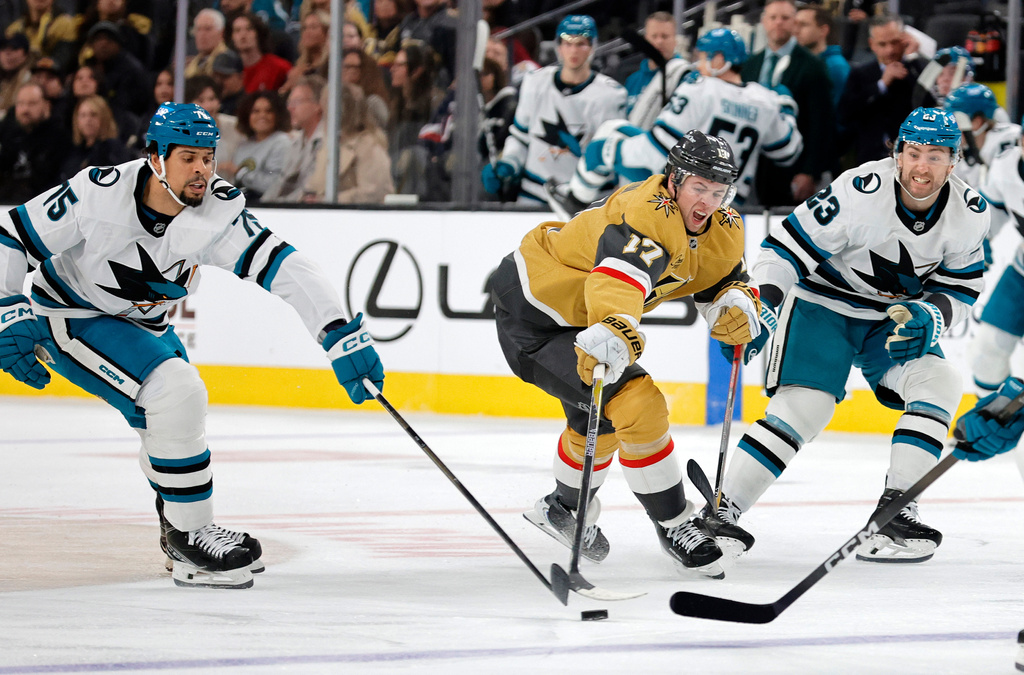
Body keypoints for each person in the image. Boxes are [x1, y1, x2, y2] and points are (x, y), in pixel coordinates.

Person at [0, 102, 385, 589]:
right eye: (189, 158)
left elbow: (287, 266)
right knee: (177, 394)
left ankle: (180, 531)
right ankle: (190, 538)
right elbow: (10, 234)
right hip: (70, 314)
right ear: (156, 159)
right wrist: (5, 309)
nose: (202, 169)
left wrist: (338, 333)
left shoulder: (217, 211)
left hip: (144, 326)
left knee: (170, 421)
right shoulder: (98, 194)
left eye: (208, 157)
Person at [701, 108, 988, 565]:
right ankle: (721, 512)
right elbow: (784, 249)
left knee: (941, 383)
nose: (922, 166)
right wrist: (766, 304)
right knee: (806, 407)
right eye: (913, 152)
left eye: (936, 156)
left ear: (954, 162)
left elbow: (963, 284)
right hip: (824, 305)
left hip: (892, 318)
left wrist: (932, 316)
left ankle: (896, 510)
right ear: (897, 153)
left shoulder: (970, 212)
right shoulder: (859, 191)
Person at [492, 130, 767, 579]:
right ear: (674, 180)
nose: (708, 202)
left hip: (581, 315)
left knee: (597, 420)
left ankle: (563, 510)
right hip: (534, 313)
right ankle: (677, 525)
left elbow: (721, 280)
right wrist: (616, 326)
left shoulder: (724, 226)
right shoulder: (648, 212)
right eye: (699, 187)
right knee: (637, 403)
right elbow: (618, 280)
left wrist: (734, 303)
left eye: (718, 192)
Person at [546, 27, 801, 220]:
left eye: (704, 56)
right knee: (614, 127)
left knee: (602, 147)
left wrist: (608, 152)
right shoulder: (764, 99)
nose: (699, 62)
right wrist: (787, 108)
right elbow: (787, 151)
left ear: (720, 59)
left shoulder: (701, 87)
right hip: (729, 201)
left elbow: (657, 146)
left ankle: (576, 206)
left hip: (685, 192)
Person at [482, 15, 626, 205]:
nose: (573, 50)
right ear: (558, 46)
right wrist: (509, 164)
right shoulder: (534, 82)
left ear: (593, 46)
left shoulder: (611, 95)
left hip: (587, 202)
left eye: (581, 43)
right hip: (534, 193)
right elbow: (520, 138)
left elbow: (610, 156)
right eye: (567, 43)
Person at [741, 0, 834, 206]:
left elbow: (822, 124)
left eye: (785, 18)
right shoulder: (750, 65)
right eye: (773, 18)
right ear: (764, 22)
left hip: (794, 169)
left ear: (794, 24)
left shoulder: (812, 66)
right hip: (754, 168)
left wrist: (810, 172)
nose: (778, 23)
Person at [968, 137, 1024, 395]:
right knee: (987, 352)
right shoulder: (1006, 165)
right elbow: (986, 213)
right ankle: (992, 430)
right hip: (1021, 273)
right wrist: (979, 239)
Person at [839, 14, 932, 165]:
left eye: (895, 42)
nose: (890, 50)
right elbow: (845, 113)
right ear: (872, 44)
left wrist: (912, 59)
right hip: (870, 159)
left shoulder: (918, 69)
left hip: (912, 159)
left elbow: (930, 106)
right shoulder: (860, 73)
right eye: (882, 44)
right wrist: (881, 85)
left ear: (904, 39)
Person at [312, 83, 393, 204]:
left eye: (326, 108)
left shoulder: (370, 145)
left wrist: (326, 201)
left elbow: (374, 193)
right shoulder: (328, 145)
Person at [0, 81, 71, 204]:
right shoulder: (10, 135)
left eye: (32, 103)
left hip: (42, 205)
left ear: (46, 105)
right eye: (21, 103)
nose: (25, 109)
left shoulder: (59, 137)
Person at [262, 74, 326, 202]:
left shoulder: (328, 142)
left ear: (318, 105)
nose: (290, 108)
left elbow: (309, 190)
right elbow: (281, 182)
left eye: (296, 102)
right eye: (289, 103)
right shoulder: (296, 142)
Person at [945, 83, 1021, 189]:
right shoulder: (964, 152)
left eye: (954, 121)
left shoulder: (1007, 140)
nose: (949, 128)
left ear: (977, 122)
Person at [623, 11, 689, 131]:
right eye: (654, 36)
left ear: (675, 40)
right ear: (645, 39)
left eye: (665, 36)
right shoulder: (633, 80)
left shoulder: (686, 77)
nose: (659, 42)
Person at [231, 90, 293, 203]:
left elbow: (273, 184)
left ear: (278, 115)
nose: (262, 116)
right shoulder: (243, 145)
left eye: (269, 111)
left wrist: (239, 172)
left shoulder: (282, 142)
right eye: (256, 111)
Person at [58, 94, 133, 181]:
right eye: (83, 115)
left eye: (93, 115)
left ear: (104, 118)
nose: (88, 120)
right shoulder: (73, 153)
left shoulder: (113, 150)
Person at [185, 75, 244, 183]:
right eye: (201, 100)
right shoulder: (181, 132)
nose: (208, 106)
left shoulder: (235, 126)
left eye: (212, 99)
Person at [794, 3, 849, 112]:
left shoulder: (836, 67)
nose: (796, 31)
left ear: (823, 30)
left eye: (803, 25)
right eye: (795, 25)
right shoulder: (797, 61)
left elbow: (837, 113)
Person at [230, 12, 292, 94]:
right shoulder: (229, 71)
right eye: (237, 30)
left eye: (249, 29)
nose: (243, 34)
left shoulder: (279, 67)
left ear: (258, 33)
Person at [279, 10, 329, 95]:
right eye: (304, 28)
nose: (307, 32)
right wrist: (290, 83)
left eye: (313, 27)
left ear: (327, 32)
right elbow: (282, 95)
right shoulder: (299, 66)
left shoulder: (330, 65)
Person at [184, 8, 229, 79]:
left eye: (208, 29)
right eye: (198, 29)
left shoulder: (227, 61)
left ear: (221, 33)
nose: (202, 35)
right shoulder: (191, 67)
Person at [0, 33, 33, 120]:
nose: (7, 53)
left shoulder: (30, 78)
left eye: (14, 48)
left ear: (25, 54)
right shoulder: (3, 76)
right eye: (3, 48)